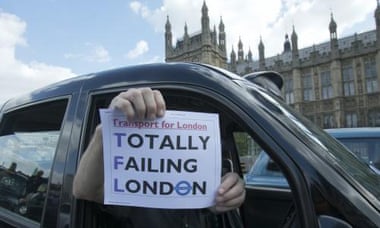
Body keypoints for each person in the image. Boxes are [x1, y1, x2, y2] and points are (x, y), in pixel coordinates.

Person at [73, 88, 246, 227]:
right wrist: (106, 130)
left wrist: (228, 193)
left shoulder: (194, 184)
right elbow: (84, 190)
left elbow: (212, 204)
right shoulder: (136, 185)